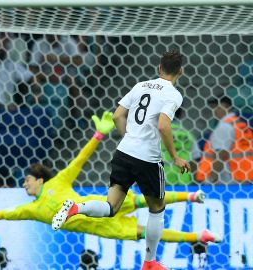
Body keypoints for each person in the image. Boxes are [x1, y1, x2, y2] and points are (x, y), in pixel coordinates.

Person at [0, 113, 220, 246]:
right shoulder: (32, 210)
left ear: (40, 180)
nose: (25, 184)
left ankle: (191, 196)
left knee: (141, 200)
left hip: (102, 206)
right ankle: (199, 236)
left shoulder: (59, 182)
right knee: (147, 232)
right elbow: (1, 214)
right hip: (102, 229)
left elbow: (79, 160)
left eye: (28, 179)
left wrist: (98, 135)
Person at [53, 51, 190, 270]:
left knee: (111, 206)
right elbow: (163, 125)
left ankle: (77, 209)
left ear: (159, 68)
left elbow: (118, 115)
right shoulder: (173, 94)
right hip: (148, 159)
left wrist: (129, 138)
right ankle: (150, 263)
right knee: (157, 209)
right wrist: (175, 157)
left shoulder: (140, 85)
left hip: (124, 152)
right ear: (180, 71)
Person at [196, 95, 253, 183]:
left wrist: (212, 179)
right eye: (213, 107)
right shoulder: (241, 125)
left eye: (217, 106)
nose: (214, 110)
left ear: (227, 107)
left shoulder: (224, 126)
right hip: (245, 177)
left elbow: (221, 155)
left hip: (229, 181)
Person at [160, 107, 201, 185]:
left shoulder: (157, 133)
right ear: (181, 115)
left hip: (161, 181)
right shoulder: (188, 134)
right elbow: (195, 160)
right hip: (184, 181)